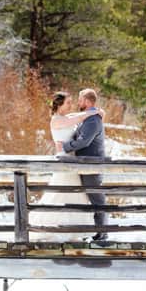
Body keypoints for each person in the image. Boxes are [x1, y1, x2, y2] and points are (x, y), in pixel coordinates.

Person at [61, 87, 108, 244]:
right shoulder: (89, 117)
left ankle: (103, 233)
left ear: (87, 102)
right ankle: (99, 232)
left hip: (92, 165)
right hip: (86, 164)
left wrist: (65, 147)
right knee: (91, 198)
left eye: (80, 100)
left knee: (97, 199)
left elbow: (84, 141)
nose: (78, 102)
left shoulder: (93, 120)